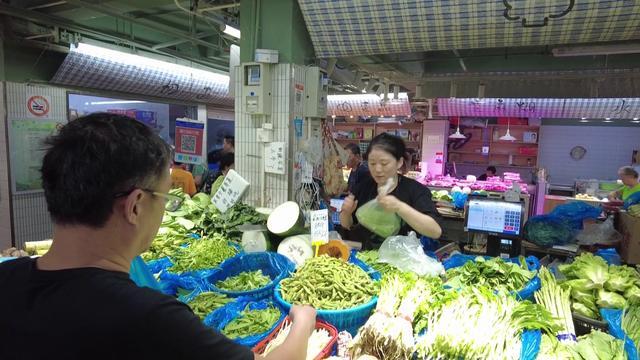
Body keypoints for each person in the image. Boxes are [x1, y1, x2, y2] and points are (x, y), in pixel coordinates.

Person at [0, 113, 316, 360]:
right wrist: (303, 320)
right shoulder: (148, 319)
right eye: (164, 198)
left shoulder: (6, 279)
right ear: (135, 205)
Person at [339, 133, 443, 250]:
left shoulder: (415, 190)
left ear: (399, 162)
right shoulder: (363, 187)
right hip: (366, 260)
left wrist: (399, 207)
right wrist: (346, 213)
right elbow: (347, 224)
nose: (377, 169)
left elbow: (435, 231)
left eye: (384, 163)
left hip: (403, 262)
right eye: (372, 163)